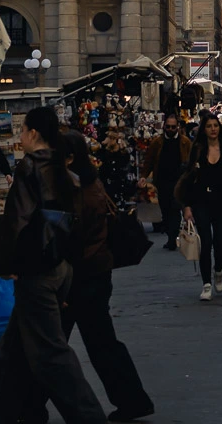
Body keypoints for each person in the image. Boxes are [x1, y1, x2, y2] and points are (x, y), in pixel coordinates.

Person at [0, 107, 106, 424]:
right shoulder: (62, 170)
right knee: (9, 355)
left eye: (23, 131)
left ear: (33, 133)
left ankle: (90, 418)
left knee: (52, 357)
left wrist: (3, 260)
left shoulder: (31, 168)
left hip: (37, 273)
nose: (19, 137)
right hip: (59, 268)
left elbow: (17, 222)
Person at [60, 133, 154, 423]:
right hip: (94, 274)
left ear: (69, 158)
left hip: (82, 276)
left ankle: (27, 406)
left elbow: (75, 239)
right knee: (100, 344)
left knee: (51, 347)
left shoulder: (78, 190)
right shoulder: (90, 182)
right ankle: (132, 399)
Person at [176, 113, 222, 301]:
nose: (213, 129)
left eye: (215, 125)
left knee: (220, 243)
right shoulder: (197, 149)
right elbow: (188, 179)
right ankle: (206, 284)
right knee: (205, 242)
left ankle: (218, 270)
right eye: (209, 126)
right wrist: (187, 206)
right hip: (201, 201)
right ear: (203, 129)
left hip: (221, 202)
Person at [142, 111, 192, 251]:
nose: (170, 129)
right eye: (168, 127)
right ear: (164, 127)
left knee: (175, 209)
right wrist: (144, 176)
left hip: (178, 181)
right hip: (162, 181)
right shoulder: (157, 142)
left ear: (178, 127)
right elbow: (149, 161)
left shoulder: (185, 142)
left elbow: (191, 161)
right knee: (165, 209)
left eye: (173, 127)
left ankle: (172, 238)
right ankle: (170, 233)